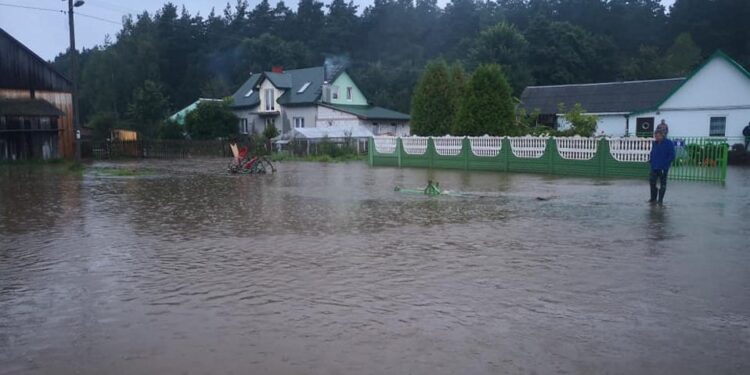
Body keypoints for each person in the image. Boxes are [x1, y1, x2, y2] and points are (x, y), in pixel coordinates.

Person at [649, 130, 675, 205]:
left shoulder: (668, 143)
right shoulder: (655, 143)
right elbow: (652, 152)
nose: (656, 138)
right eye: (655, 136)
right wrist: (651, 160)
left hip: (663, 168)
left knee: (662, 184)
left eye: (657, 136)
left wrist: (665, 165)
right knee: (652, 183)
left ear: (662, 135)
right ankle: (653, 199)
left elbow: (672, 155)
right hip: (654, 167)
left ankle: (660, 200)